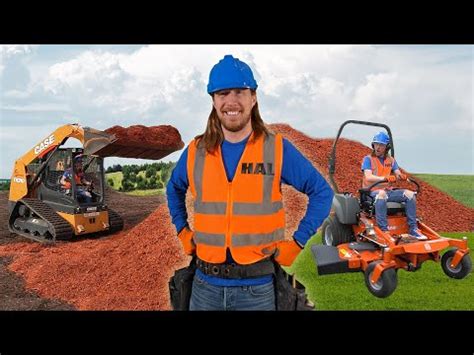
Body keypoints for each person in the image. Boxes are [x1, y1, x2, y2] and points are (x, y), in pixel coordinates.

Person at [166, 54, 334, 310]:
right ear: (213, 100)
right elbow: (174, 188)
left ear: (253, 97)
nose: (231, 101)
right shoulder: (195, 151)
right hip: (203, 289)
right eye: (222, 93)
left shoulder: (276, 149)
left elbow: (322, 192)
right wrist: (181, 229)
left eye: (239, 92)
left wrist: (299, 240)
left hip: (257, 291)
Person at [361, 131, 427, 240]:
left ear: (387, 147)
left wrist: (402, 176)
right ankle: (384, 230)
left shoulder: (391, 160)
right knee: (381, 194)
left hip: (388, 191)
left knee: (410, 194)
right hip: (372, 191)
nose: (378, 147)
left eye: (381, 145)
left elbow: (397, 173)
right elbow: (368, 177)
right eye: (376, 144)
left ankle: (413, 228)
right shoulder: (368, 159)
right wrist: (384, 178)